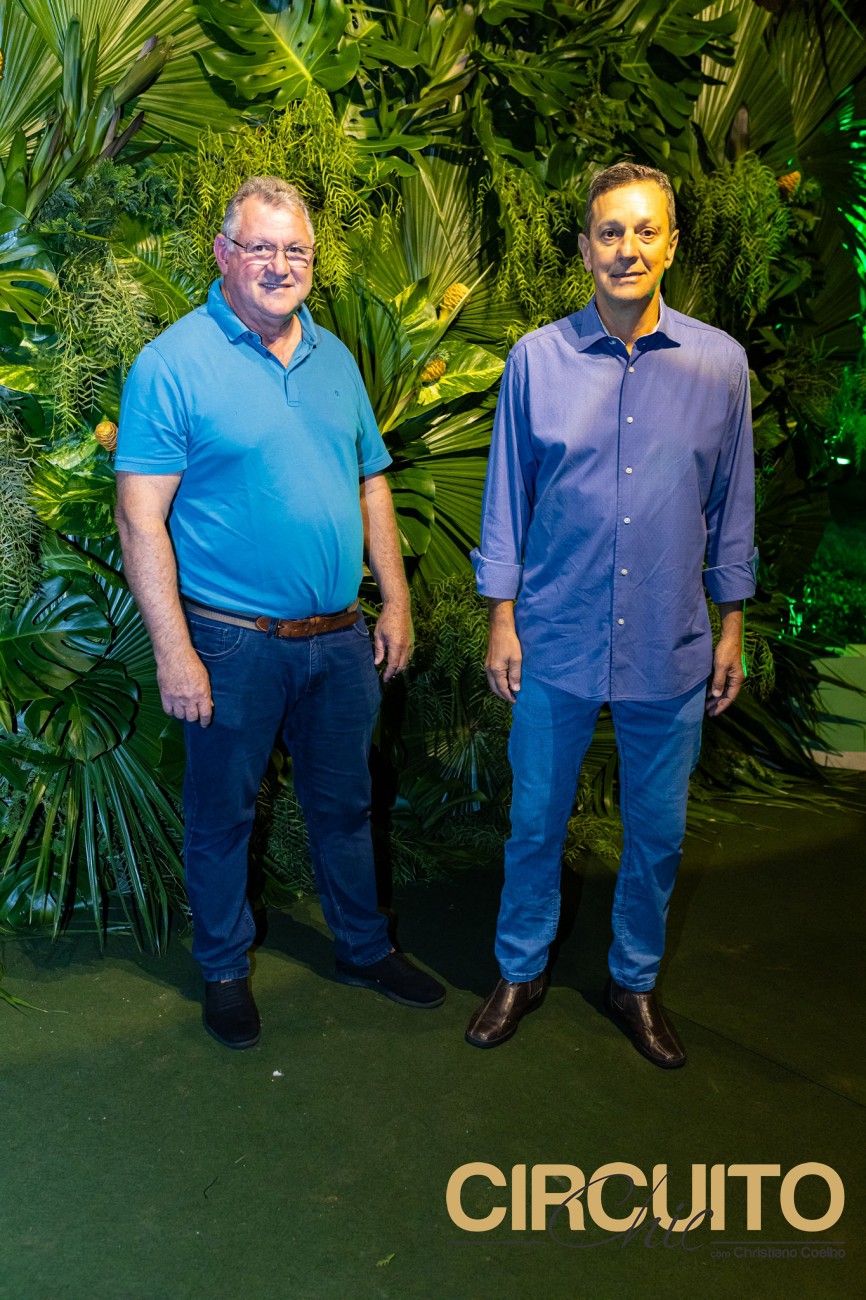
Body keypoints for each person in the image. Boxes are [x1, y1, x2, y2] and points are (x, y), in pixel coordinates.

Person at [115, 175, 444, 1050]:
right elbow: (139, 518)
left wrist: (395, 601)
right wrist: (174, 651)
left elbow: (371, 483)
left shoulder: (334, 358)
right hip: (230, 643)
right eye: (259, 247)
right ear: (222, 254)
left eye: (295, 249)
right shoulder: (171, 364)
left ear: (312, 260)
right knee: (222, 816)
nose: (279, 264)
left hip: (339, 641)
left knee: (347, 807)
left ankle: (364, 949)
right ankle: (225, 970)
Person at [466, 162, 756, 1067]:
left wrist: (731, 625)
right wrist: (501, 616)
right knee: (535, 821)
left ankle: (634, 981)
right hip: (553, 632)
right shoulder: (535, 360)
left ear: (671, 245)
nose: (627, 248)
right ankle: (520, 970)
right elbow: (507, 498)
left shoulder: (720, 364)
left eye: (644, 231)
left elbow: (733, 502)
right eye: (609, 231)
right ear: (585, 248)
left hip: (672, 638)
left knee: (658, 831)